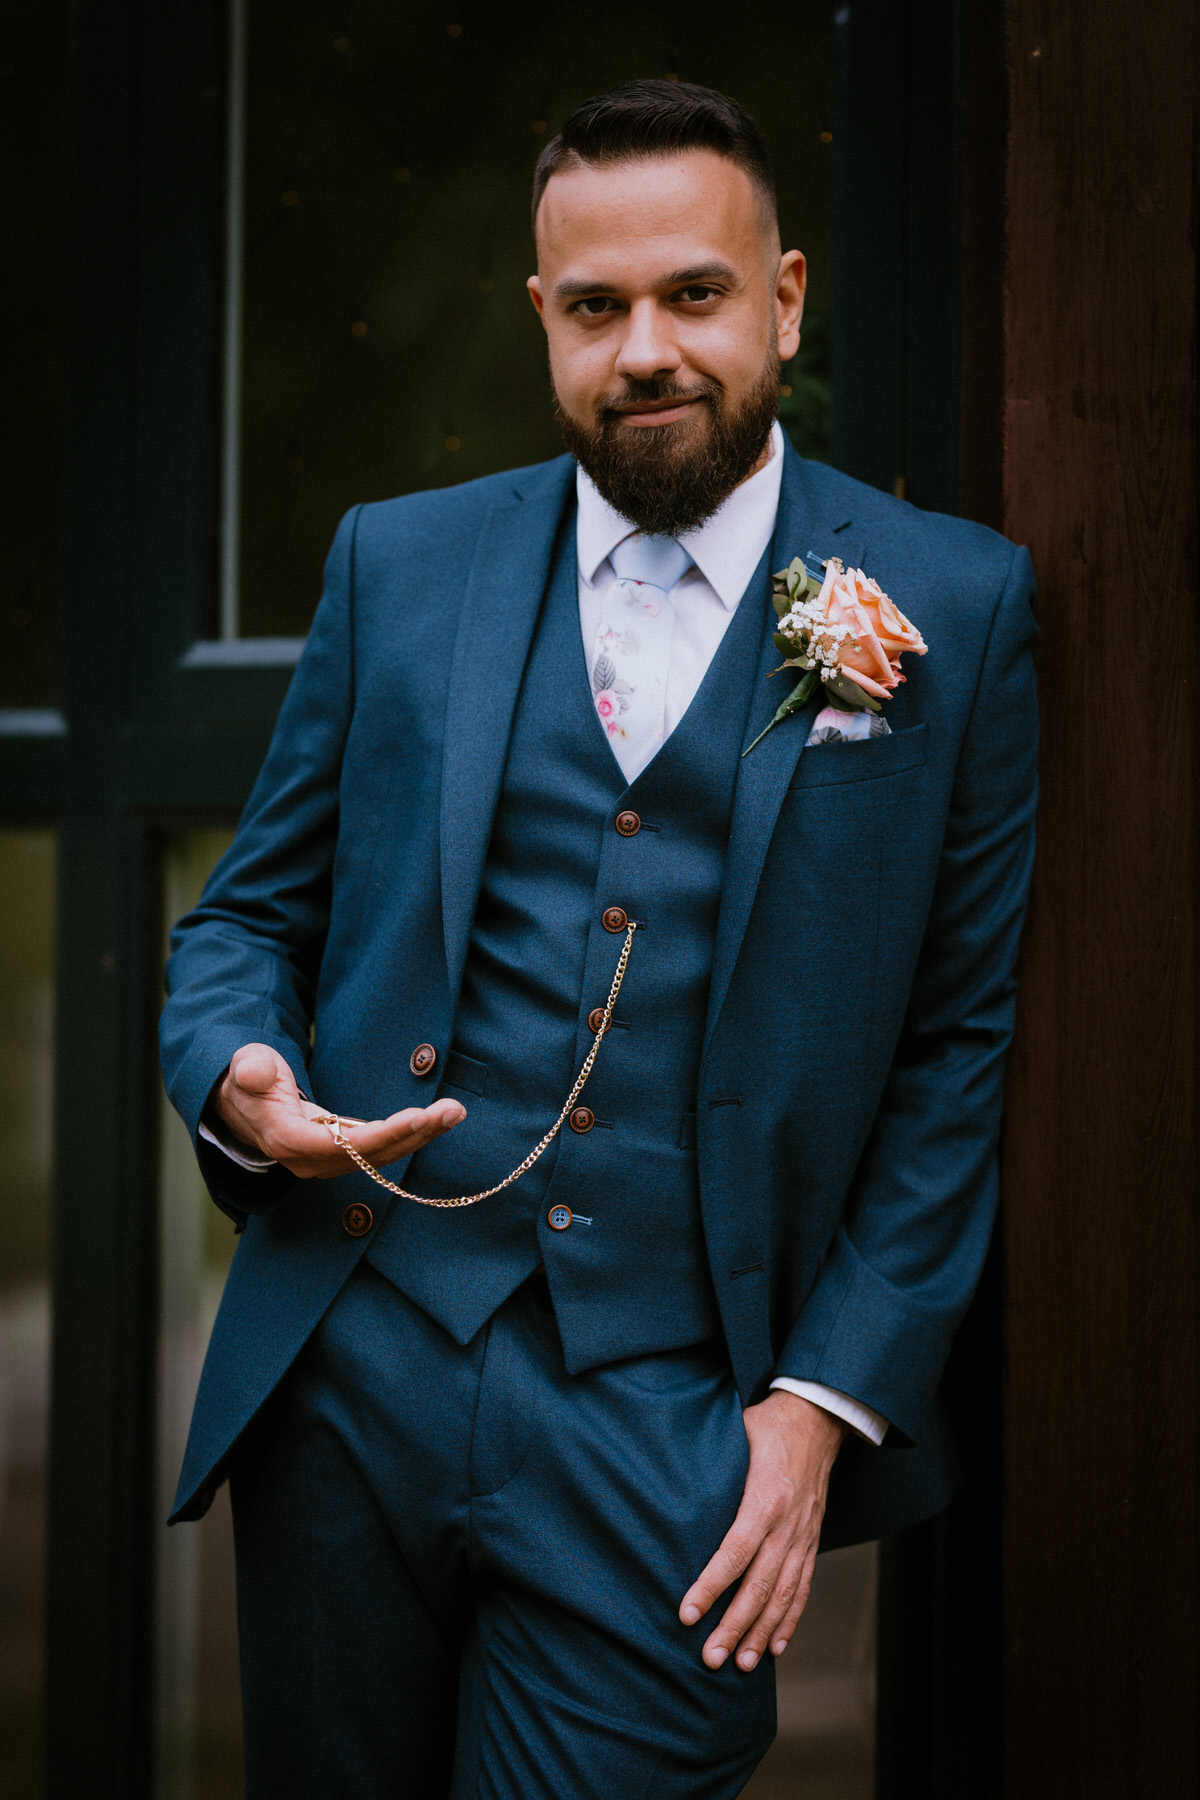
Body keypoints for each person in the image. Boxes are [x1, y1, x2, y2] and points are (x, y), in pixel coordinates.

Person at [160, 79, 1037, 1799]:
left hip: (673, 1428)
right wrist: (238, 1076)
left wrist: (820, 1402)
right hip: (358, 1362)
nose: (646, 349)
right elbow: (247, 914)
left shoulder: (956, 603)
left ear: (784, 300)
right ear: (543, 321)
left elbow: (954, 1049)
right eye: (595, 307)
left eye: (694, 295)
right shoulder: (396, 566)